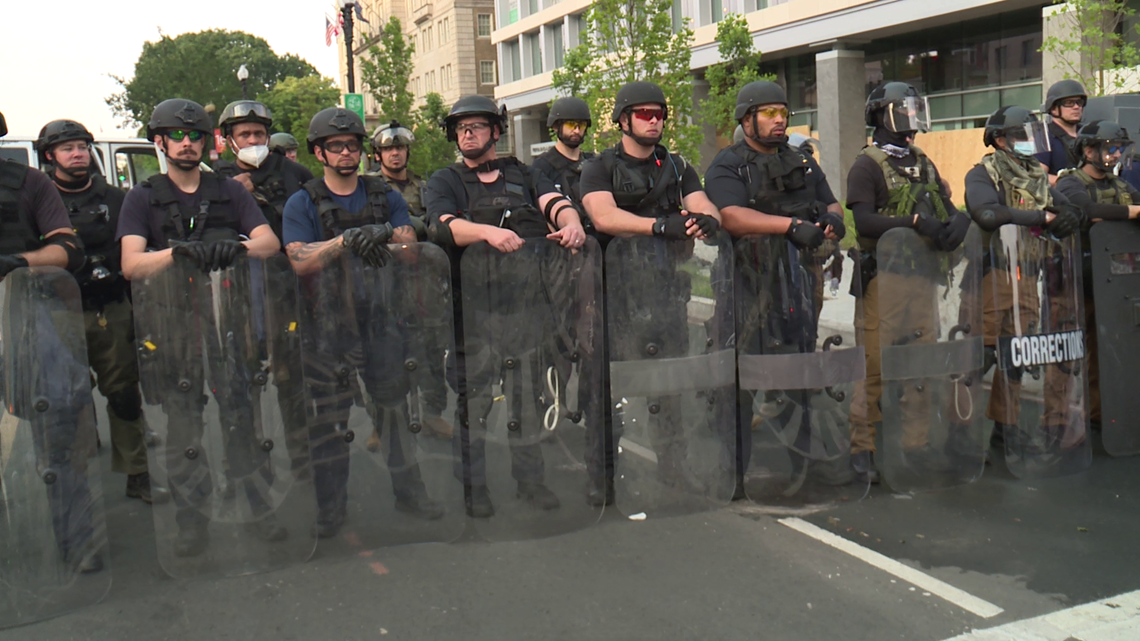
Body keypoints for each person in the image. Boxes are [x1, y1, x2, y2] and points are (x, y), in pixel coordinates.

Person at [117, 98, 284, 557]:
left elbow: (269, 242)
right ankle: (193, 521)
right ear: (160, 142)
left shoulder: (230, 191)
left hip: (229, 320)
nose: (187, 144)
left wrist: (234, 247)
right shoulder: (143, 196)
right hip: (173, 326)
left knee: (243, 420)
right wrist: (177, 253)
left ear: (206, 142)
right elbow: (131, 263)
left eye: (194, 136)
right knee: (184, 428)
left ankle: (258, 508)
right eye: (178, 136)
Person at [282, 106, 442, 537]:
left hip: (381, 318)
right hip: (327, 326)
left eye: (352, 145)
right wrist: (341, 241)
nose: (346, 153)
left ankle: (411, 492)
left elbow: (409, 244)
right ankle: (331, 508)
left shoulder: (382, 195)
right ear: (319, 152)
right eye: (336, 146)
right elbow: (298, 258)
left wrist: (383, 233)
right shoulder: (303, 201)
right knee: (329, 422)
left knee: (394, 411)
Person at [424, 94, 587, 518]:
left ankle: (530, 481)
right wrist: (486, 234)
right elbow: (441, 226)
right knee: (474, 406)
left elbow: (557, 204)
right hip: (475, 314)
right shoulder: (446, 180)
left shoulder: (526, 175)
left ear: (496, 131)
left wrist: (571, 227)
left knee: (527, 404)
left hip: (526, 312)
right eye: (461, 129)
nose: (468, 134)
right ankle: (474, 488)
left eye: (476, 126)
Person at [580, 81, 725, 503]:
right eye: (644, 113)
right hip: (615, 296)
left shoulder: (676, 167)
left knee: (670, 385)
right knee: (608, 391)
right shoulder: (600, 166)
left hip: (664, 292)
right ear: (623, 119)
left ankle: (674, 468)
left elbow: (702, 203)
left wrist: (708, 220)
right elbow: (603, 216)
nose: (654, 120)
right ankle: (602, 477)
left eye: (659, 113)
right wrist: (659, 225)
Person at [704, 80, 847, 497]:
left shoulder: (800, 161)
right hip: (745, 285)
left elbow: (830, 202)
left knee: (797, 372)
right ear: (746, 119)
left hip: (797, 282)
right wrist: (789, 226)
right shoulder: (728, 164)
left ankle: (806, 467)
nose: (780, 119)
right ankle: (734, 473)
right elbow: (730, 215)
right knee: (739, 378)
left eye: (783, 112)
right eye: (768, 113)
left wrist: (833, 221)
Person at [845, 82, 972, 484]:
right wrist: (913, 222)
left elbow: (944, 207)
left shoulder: (922, 161)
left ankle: (915, 447)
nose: (911, 122)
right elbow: (863, 221)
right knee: (873, 367)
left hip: (923, 278)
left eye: (915, 112)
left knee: (921, 366)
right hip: (884, 281)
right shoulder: (867, 164)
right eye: (903, 112)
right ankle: (862, 451)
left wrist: (959, 221)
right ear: (881, 116)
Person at [35, 118, 154, 503]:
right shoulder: (39, 199)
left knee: (123, 394)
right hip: (58, 312)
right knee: (68, 401)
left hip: (111, 306)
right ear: (50, 156)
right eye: (68, 148)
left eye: (82, 147)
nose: (77, 154)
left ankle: (137, 472)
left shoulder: (117, 198)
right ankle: (75, 483)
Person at [0, 111, 99, 573]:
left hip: (27, 315)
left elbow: (68, 249)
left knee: (57, 429)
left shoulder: (28, 185)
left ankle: (76, 540)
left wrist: (17, 261)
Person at [964, 106, 1083, 459]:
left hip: (1027, 276)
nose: (1031, 142)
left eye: (1034, 135)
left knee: (1016, 357)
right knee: (978, 357)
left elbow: (1071, 211)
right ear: (1000, 140)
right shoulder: (984, 173)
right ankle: (957, 432)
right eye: (1021, 135)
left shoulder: (1034, 175)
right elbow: (986, 213)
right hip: (992, 275)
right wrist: (1040, 217)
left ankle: (1005, 432)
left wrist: (1064, 220)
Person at [212, 101, 314, 479]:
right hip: (236, 292)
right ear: (229, 140)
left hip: (288, 289)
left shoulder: (295, 174)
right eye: (244, 135)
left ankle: (303, 459)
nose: (253, 140)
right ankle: (246, 462)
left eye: (259, 133)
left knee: (292, 377)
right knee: (241, 379)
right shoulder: (214, 177)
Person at [364, 119, 452, 444]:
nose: (395, 154)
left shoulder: (425, 187)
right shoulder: (369, 188)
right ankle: (382, 420)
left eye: (400, 147)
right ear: (378, 153)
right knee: (384, 351)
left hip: (423, 279)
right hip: (384, 277)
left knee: (431, 346)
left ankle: (433, 414)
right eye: (388, 148)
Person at [1054, 120, 1140, 430]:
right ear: (1088, 150)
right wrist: (1133, 212)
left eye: (1119, 149)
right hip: (1075, 282)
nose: (1115, 155)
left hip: (1116, 282)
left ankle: (1102, 415)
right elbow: (1086, 210)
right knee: (1068, 356)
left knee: (1112, 350)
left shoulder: (1120, 187)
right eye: (1109, 148)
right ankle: (1058, 423)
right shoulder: (1070, 182)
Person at [531, 96, 595, 216]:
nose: (576, 131)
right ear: (556, 127)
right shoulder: (542, 166)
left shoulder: (594, 163)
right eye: (571, 125)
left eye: (581, 125)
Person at [1036, 80, 1088, 183]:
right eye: (1069, 103)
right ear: (1054, 108)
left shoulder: (1088, 134)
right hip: (1059, 196)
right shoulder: (1043, 136)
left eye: (1079, 102)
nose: (1076, 107)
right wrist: (1069, 183)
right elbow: (1038, 176)